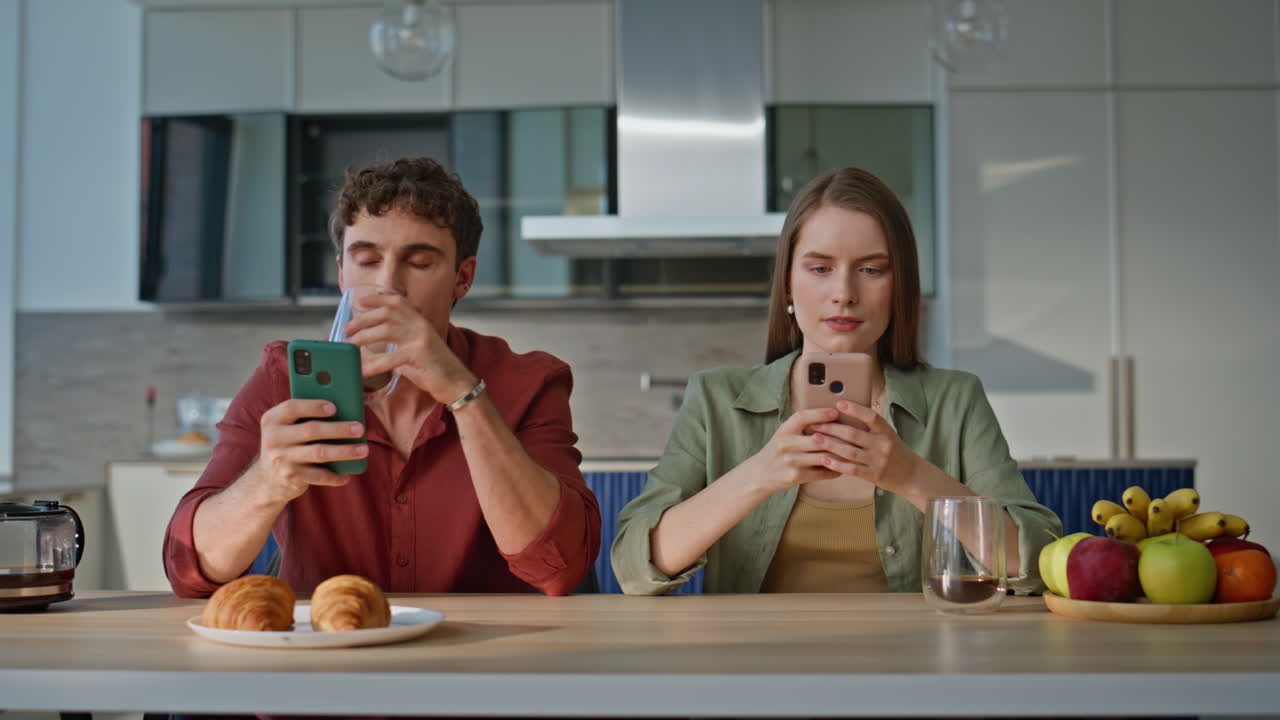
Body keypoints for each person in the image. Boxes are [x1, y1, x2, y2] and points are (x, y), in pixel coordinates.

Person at [611, 167, 1061, 595]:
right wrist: (759, 474)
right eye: (820, 268)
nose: (844, 292)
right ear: (788, 284)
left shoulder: (955, 400)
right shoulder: (714, 399)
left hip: (914, 665)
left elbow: (1037, 562)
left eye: (871, 269)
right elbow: (633, 567)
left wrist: (909, 475)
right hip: (754, 665)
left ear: (898, 284)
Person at [164, 157, 600, 598]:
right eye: (367, 260)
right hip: (331, 654)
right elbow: (187, 567)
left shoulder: (528, 384)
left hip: (484, 655)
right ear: (341, 274)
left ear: (462, 278)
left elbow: (558, 568)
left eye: (420, 262)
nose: (388, 285)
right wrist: (266, 483)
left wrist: (464, 395)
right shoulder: (285, 379)